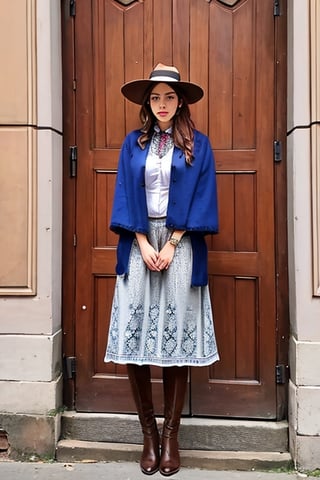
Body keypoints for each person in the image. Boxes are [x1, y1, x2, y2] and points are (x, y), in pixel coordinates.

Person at [104, 63, 219, 477]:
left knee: (175, 342)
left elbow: (203, 195)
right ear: (146, 103)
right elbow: (123, 190)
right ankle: (148, 436)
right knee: (135, 336)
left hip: (180, 243)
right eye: (155, 97)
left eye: (169, 97)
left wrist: (171, 243)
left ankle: (171, 436)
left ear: (181, 100)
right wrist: (141, 241)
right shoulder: (132, 144)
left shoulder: (198, 145)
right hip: (138, 240)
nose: (162, 104)